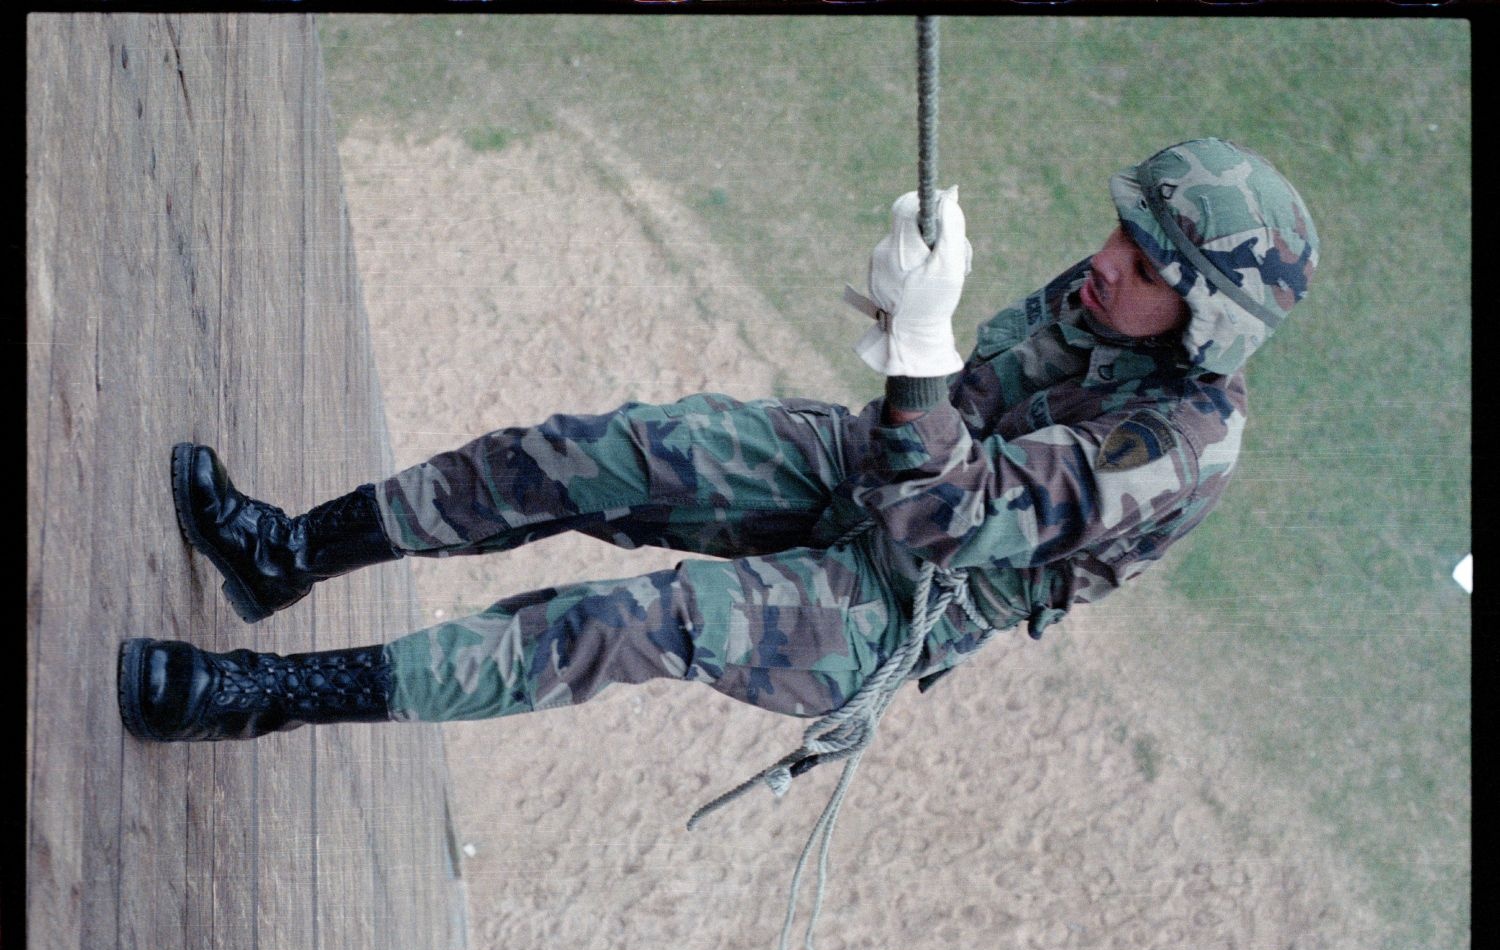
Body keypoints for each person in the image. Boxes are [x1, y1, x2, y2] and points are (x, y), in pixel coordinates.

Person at [119, 137, 1318, 744]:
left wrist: (922, 340)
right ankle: (286, 553)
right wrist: (908, 318)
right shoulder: (1113, 294)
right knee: (596, 452)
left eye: (1147, 258)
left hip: (903, 596)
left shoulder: (1180, 441)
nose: (1106, 258)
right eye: (1121, 230)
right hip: (880, 464)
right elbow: (949, 401)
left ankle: (262, 698)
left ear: (1202, 315)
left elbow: (939, 518)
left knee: (626, 624)